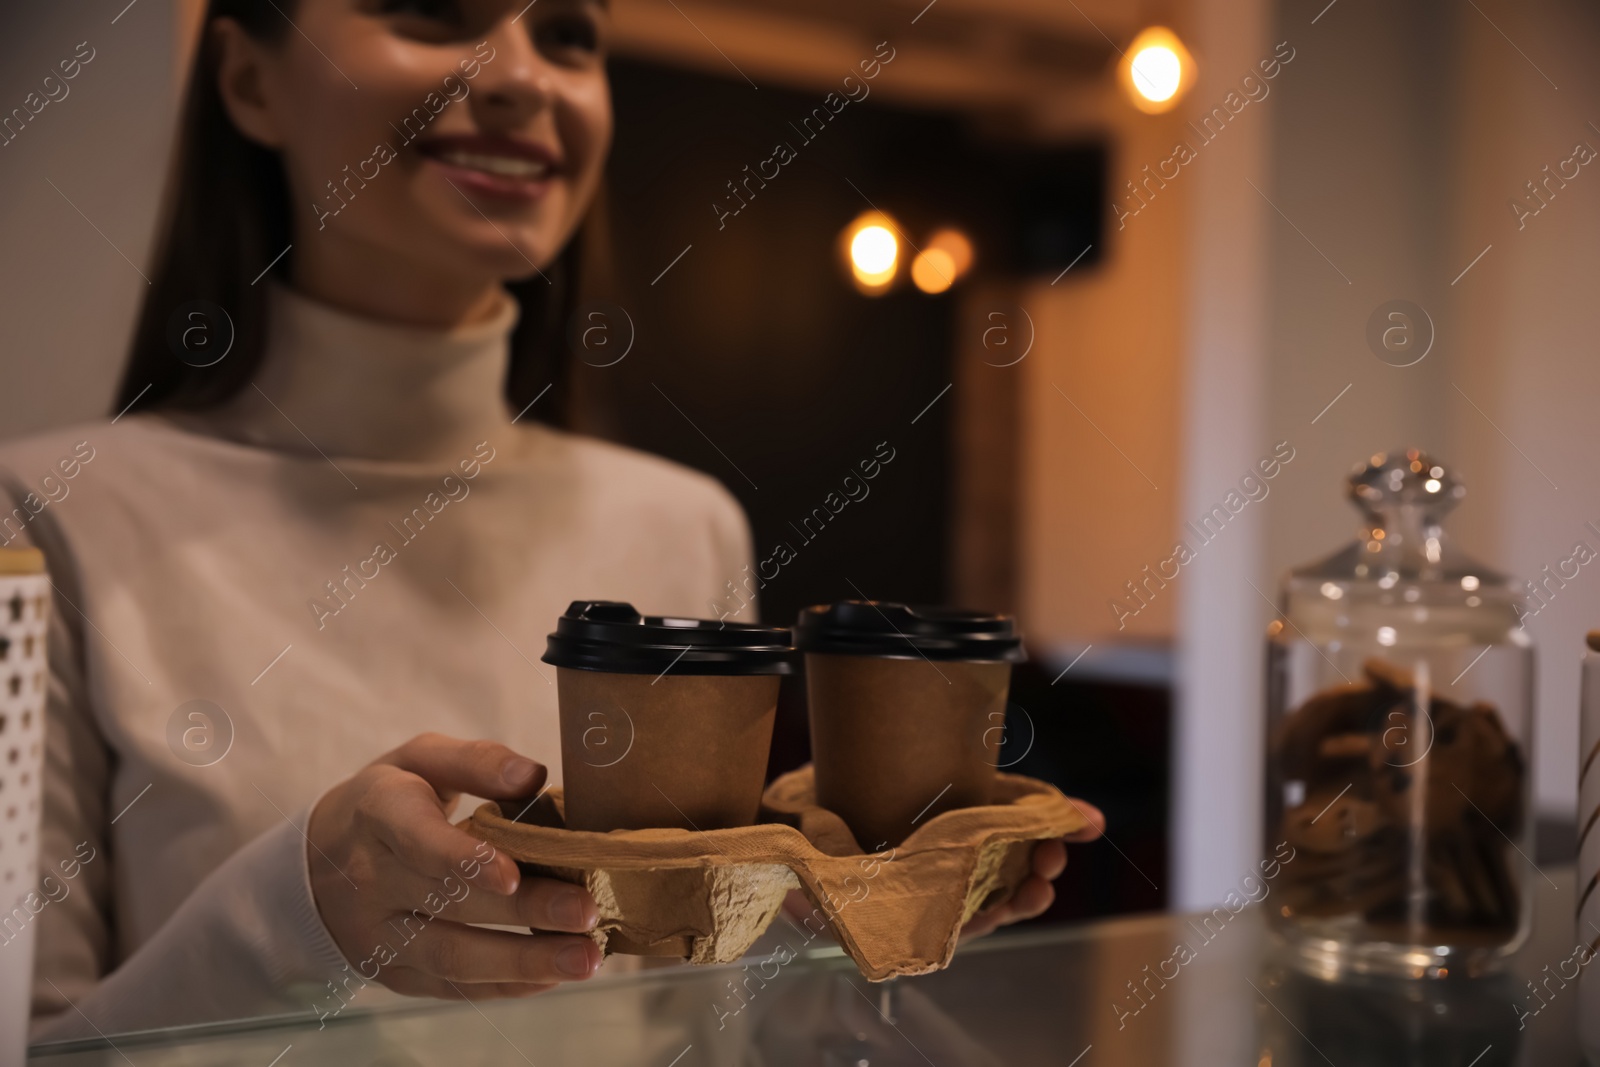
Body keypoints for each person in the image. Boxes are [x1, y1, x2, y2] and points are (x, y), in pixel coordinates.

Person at [0, 0, 1101, 1040]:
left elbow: (683, 1024)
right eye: (432, 10)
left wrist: (837, 923)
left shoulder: (681, 521)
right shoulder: (48, 517)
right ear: (247, 80)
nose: (522, 76)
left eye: (568, 34)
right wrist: (299, 914)